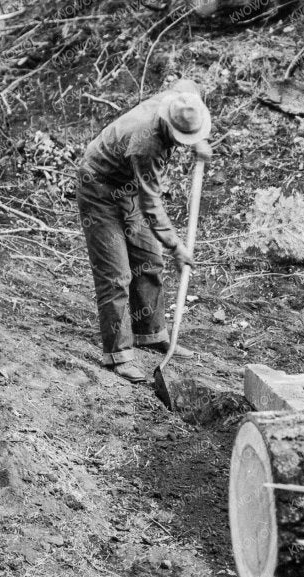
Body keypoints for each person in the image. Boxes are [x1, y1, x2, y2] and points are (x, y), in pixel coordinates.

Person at [77, 84, 212, 383]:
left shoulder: (184, 96)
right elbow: (151, 204)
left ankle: (150, 334)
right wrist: (176, 246)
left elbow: (192, 86)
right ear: (168, 125)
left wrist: (198, 139)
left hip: (129, 185)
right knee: (117, 275)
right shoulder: (146, 144)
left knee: (150, 259)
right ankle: (119, 355)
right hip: (99, 187)